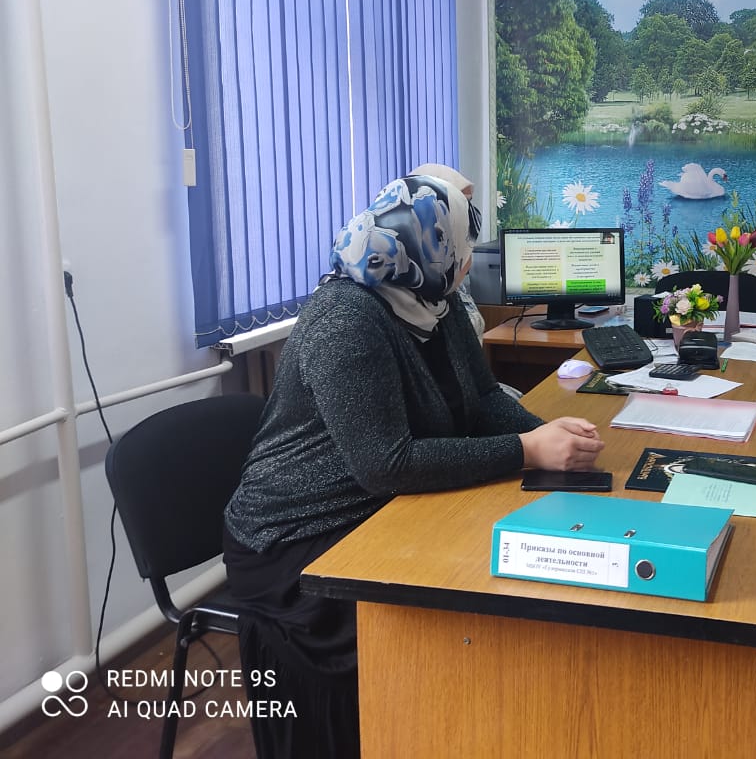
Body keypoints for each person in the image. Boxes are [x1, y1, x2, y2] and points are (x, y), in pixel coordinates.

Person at [222, 169, 602, 758]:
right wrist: (527, 450)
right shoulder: (346, 319)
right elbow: (386, 463)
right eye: (463, 246)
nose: (468, 260)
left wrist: (542, 433)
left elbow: (480, 399)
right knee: (446, 618)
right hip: (295, 538)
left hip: (376, 507)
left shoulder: (433, 300)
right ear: (430, 246)